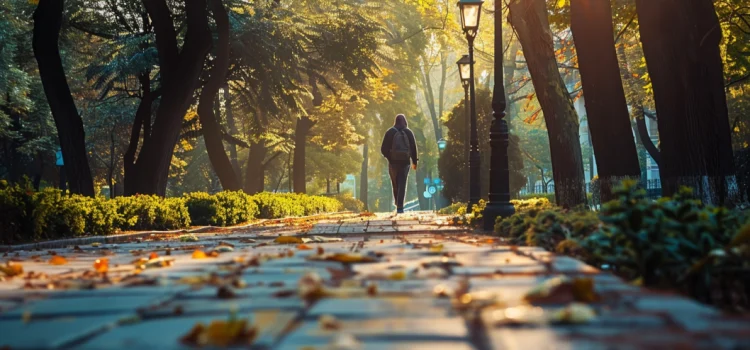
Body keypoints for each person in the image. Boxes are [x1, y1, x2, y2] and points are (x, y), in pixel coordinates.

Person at [381, 114, 418, 214]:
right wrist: (414, 161)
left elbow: (383, 149)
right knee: (402, 183)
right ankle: (400, 207)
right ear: (405, 121)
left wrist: (390, 157)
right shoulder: (408, 132)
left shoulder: (390, 132)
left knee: (395, 183)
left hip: (393, 163)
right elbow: (413, 148)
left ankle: (398, 203)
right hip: (405, 162)